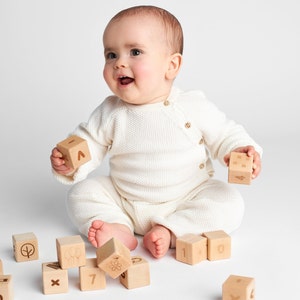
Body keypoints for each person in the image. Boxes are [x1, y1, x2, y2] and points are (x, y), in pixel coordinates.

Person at [50, 5, 262, 258]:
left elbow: (225, 133)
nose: (120, 64)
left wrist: (239, 150)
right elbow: (88, 144)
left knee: (229, 202)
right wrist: (69, 163)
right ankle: (118, 227)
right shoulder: (110, 111)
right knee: (81, 194)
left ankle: (171, 230)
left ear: (171, 65)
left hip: (186, 197)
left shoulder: (191, 106)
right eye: (111, 55)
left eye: (135, 52)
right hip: (125, 200)